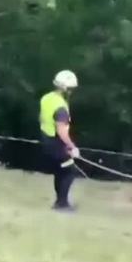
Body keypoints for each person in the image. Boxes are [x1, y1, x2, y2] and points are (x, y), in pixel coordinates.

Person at [39, 70, 80, 211]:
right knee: (70, 171)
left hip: (46, 139)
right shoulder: (61, 107)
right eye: (71, 89)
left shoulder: (47, 98)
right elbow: (61, 130)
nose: (72, 92)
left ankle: (60, 202)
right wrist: (71, 146)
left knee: (60, 170)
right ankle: (62, 204)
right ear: (66, 88)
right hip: (56, 142)